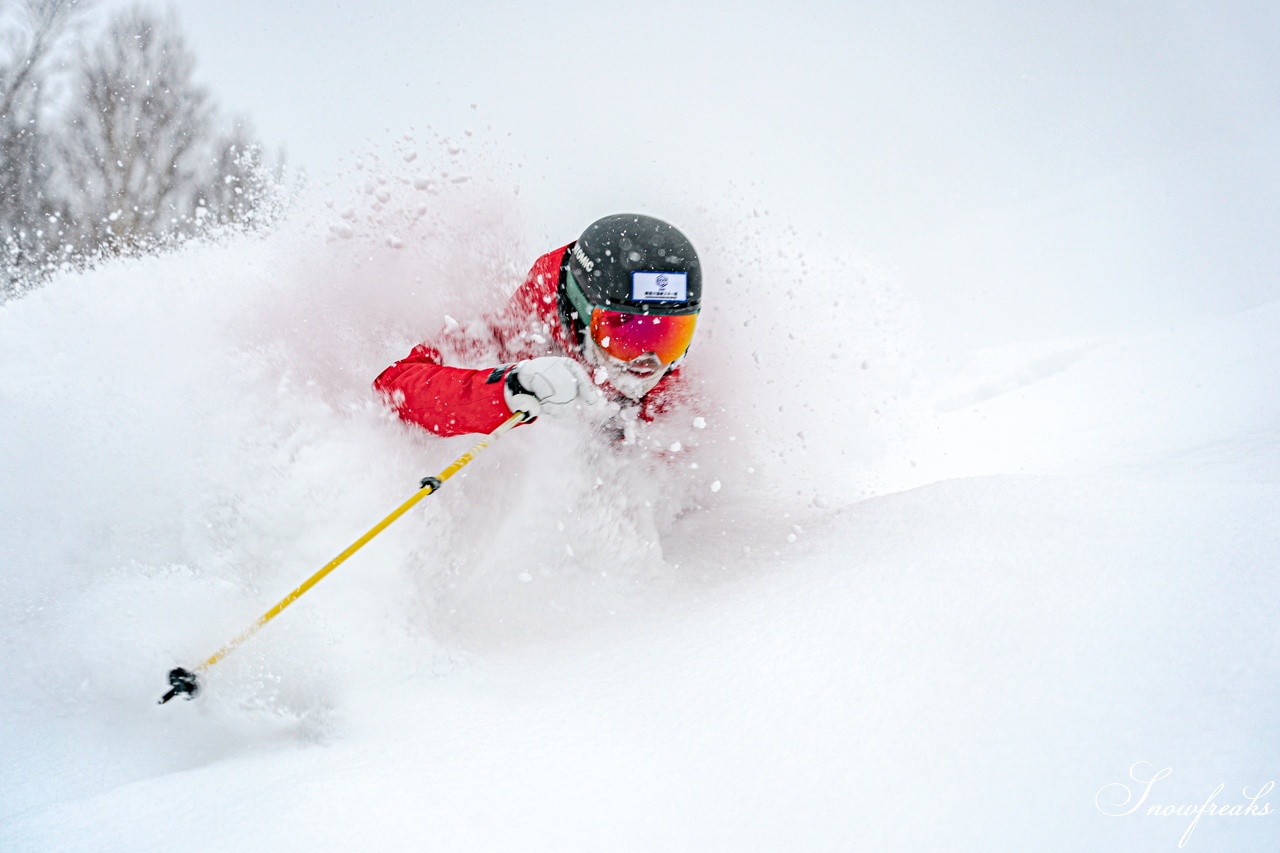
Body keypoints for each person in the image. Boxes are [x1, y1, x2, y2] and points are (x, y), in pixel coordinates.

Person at [374, 214, 702, 437]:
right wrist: (510, 388)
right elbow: (395, 387)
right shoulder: (516, 332)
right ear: (582, 313)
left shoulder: (668, 384)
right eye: (627, 332)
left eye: (669, 335)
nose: (648, 360)